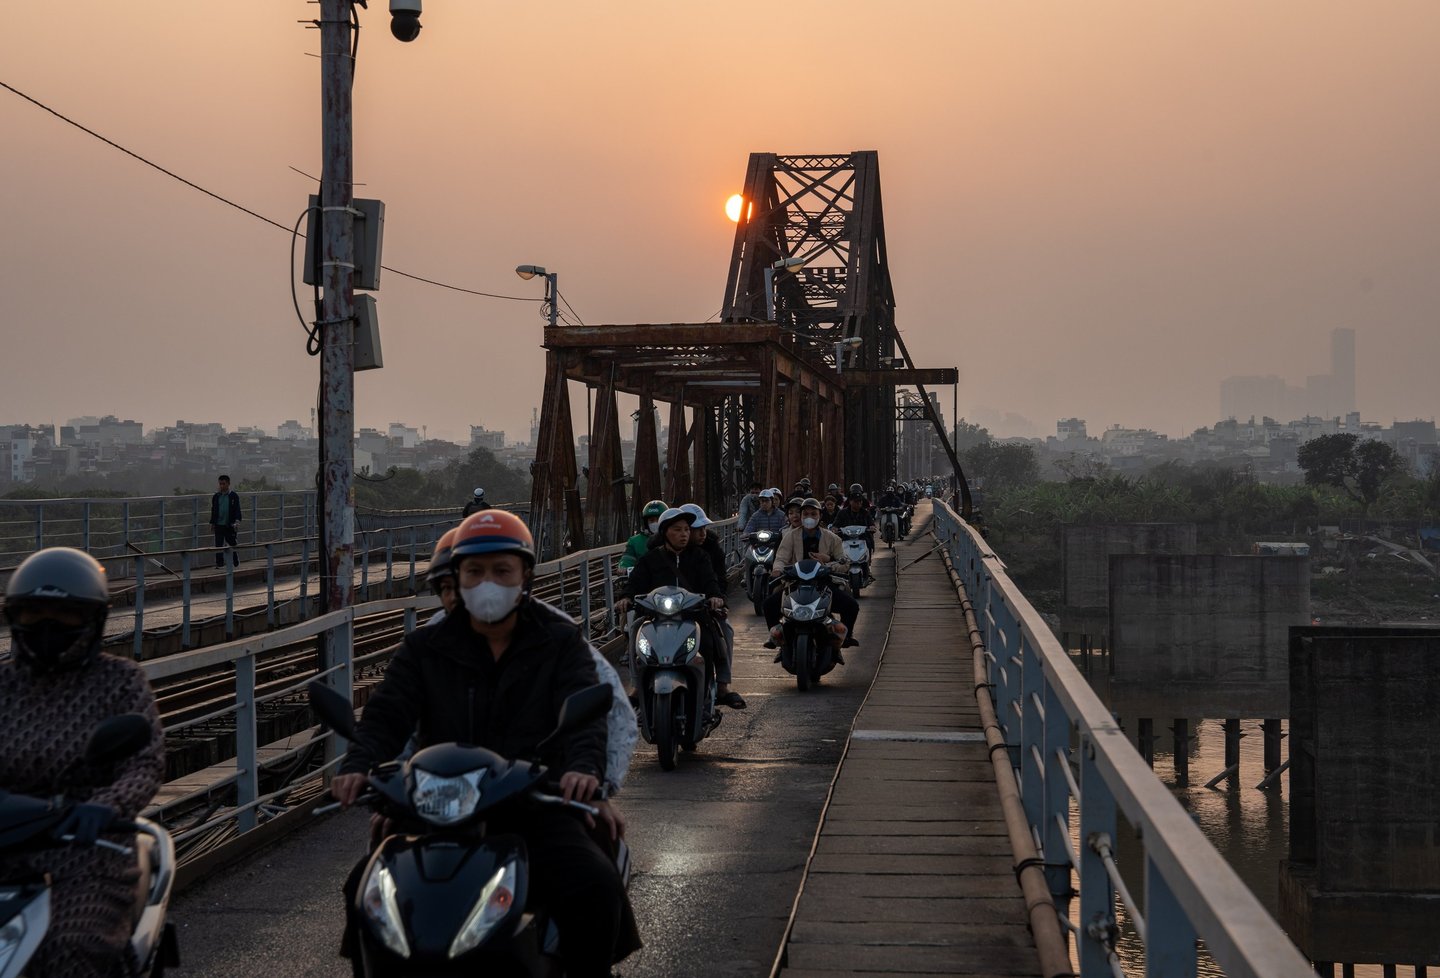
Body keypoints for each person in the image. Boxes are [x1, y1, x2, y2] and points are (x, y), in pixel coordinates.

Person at [330, 511, 631, 977]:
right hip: (437, 808)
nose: (487, 582)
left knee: (594, 886)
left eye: (501, 570)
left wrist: (584, 769)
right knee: (362, 890)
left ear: (524, 576)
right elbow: (387, 713)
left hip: (532, 803)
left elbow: (583, 714)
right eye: (474, 571)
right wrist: (358, 764)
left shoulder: (559, 641)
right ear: (457, 578)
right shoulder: (425, 648)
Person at [0, 547, 166, 978]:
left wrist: (106, 806)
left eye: (66, 617)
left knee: (71, 947)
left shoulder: (120, 681)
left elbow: (144, 763)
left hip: (87, 849)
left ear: (93, 621)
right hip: (8, 842)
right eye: (34, 615)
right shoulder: (4, 685)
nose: (48, 627)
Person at [763, 498, 859, 659]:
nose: (809, 517)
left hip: (824, 584)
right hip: (795, 583)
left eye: (813, 514)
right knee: (769, 605)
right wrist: (778, 570)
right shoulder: (790, 536)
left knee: (851, 606)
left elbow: (844, 562)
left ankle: (844, 639)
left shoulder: (832, 538)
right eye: (805, 514)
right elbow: (781, 557)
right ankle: (780, 640)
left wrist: (827, 561)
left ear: (820, 516)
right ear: (800, 516)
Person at [679, 503, 746, 710]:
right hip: (670, 608)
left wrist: (718, 599)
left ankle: (723, 685)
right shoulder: (661, 551)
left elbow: (718, 580)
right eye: (696, 529)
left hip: (702, 607)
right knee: (637, 629)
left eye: (703, 528)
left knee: (725, 631)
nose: (702, 533)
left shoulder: (711, 550)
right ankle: (638, 688)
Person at [833, 488, 877, 581]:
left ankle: (867, 567)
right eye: (856, 501)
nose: (858, 503)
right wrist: (835, 528)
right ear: (850, 501)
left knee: (869, 543)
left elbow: (871, 523)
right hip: (845, 539)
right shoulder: (842, 512)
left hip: (862, 538)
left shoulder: (865, 512)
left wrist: (872, 527)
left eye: (860, 501)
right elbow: (836, 524)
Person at [619, 499, 668, 571]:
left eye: (658, 519)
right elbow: (627, 559)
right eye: (651, 520)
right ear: (646, 523)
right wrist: (623, 567)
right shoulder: (634, 541)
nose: (655, 523)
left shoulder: (672, 538)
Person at [209, 473, 242, 568]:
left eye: (223, 484)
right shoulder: (216, 496)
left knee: (232, 543)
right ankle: (219, 563)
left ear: (228, 484)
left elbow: (237, 509)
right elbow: (213, 510)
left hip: (229, 524)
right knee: (218, 545)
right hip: (219, 524)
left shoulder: (233, 496)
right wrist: (212, 523)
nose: (222, 486)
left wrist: (237, 521)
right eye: (220, 484)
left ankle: (235, 561)